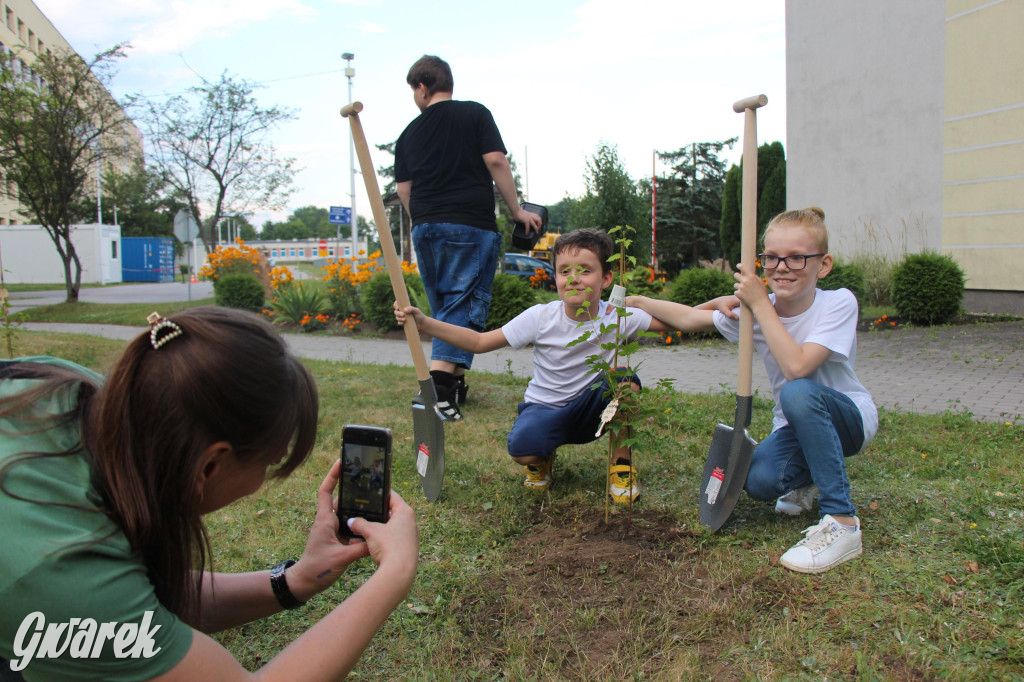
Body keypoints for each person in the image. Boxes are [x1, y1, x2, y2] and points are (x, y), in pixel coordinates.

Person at [0, 307, 419, 681]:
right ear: (211, 464)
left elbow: (140, 601)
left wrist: (298, 579)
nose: (265, 477)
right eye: (270, 462)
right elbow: (100, 599)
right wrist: (394, 572)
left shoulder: (67, 389)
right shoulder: (60, 573)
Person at [627, 207, 877, 574]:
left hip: (848, 420)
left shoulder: (837, 302)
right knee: (760, 482)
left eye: (796, 258)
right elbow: (689, 319)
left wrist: (759, 304)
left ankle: (841, 521)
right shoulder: (757, 312)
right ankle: (807, 480)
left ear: (823, 265)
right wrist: (637, 303)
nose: (781, 267)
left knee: (797, 392)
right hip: (794, 423)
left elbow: (797, 367)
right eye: (772, 257)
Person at [396, 228, 661, 502]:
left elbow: (679, 321)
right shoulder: (540, 317)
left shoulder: (616, 317)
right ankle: (542, 457)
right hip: (546, 408)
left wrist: (705, 311)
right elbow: (478, 342)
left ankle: (621, 468)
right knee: (523, 449)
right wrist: (425, 323)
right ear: (555, 277)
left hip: (592, 409)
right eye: (564, 271)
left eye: (584, 270)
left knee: (624, 382)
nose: (574, 279)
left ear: (606, 278)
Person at [395, 54, 543, 421]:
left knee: (446, 306)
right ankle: (436, 392)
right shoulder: (474, 113)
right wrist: (516, 210)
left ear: (422, 87)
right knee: (461, 308)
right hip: (469, 224)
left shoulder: (408, 133)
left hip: (425, 227)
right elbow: (496, 161)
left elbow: (404, 189)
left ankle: (455, 385)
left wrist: (424, 220)